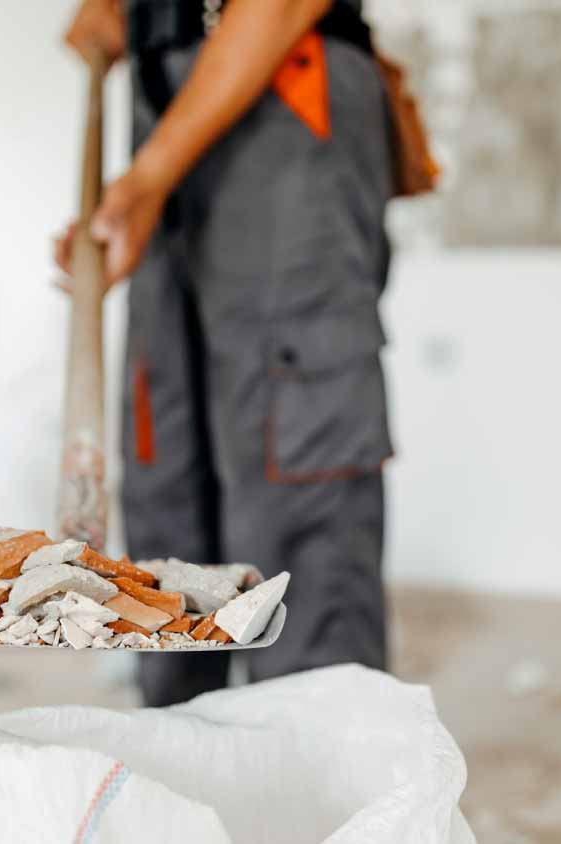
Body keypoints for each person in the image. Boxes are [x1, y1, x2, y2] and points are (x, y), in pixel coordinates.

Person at [54, 0, 395, 706]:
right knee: (167, 466)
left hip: (282, 74)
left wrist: (149, 176)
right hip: (166, 90)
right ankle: (186, 767)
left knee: (293, 472)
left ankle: (321, 779)